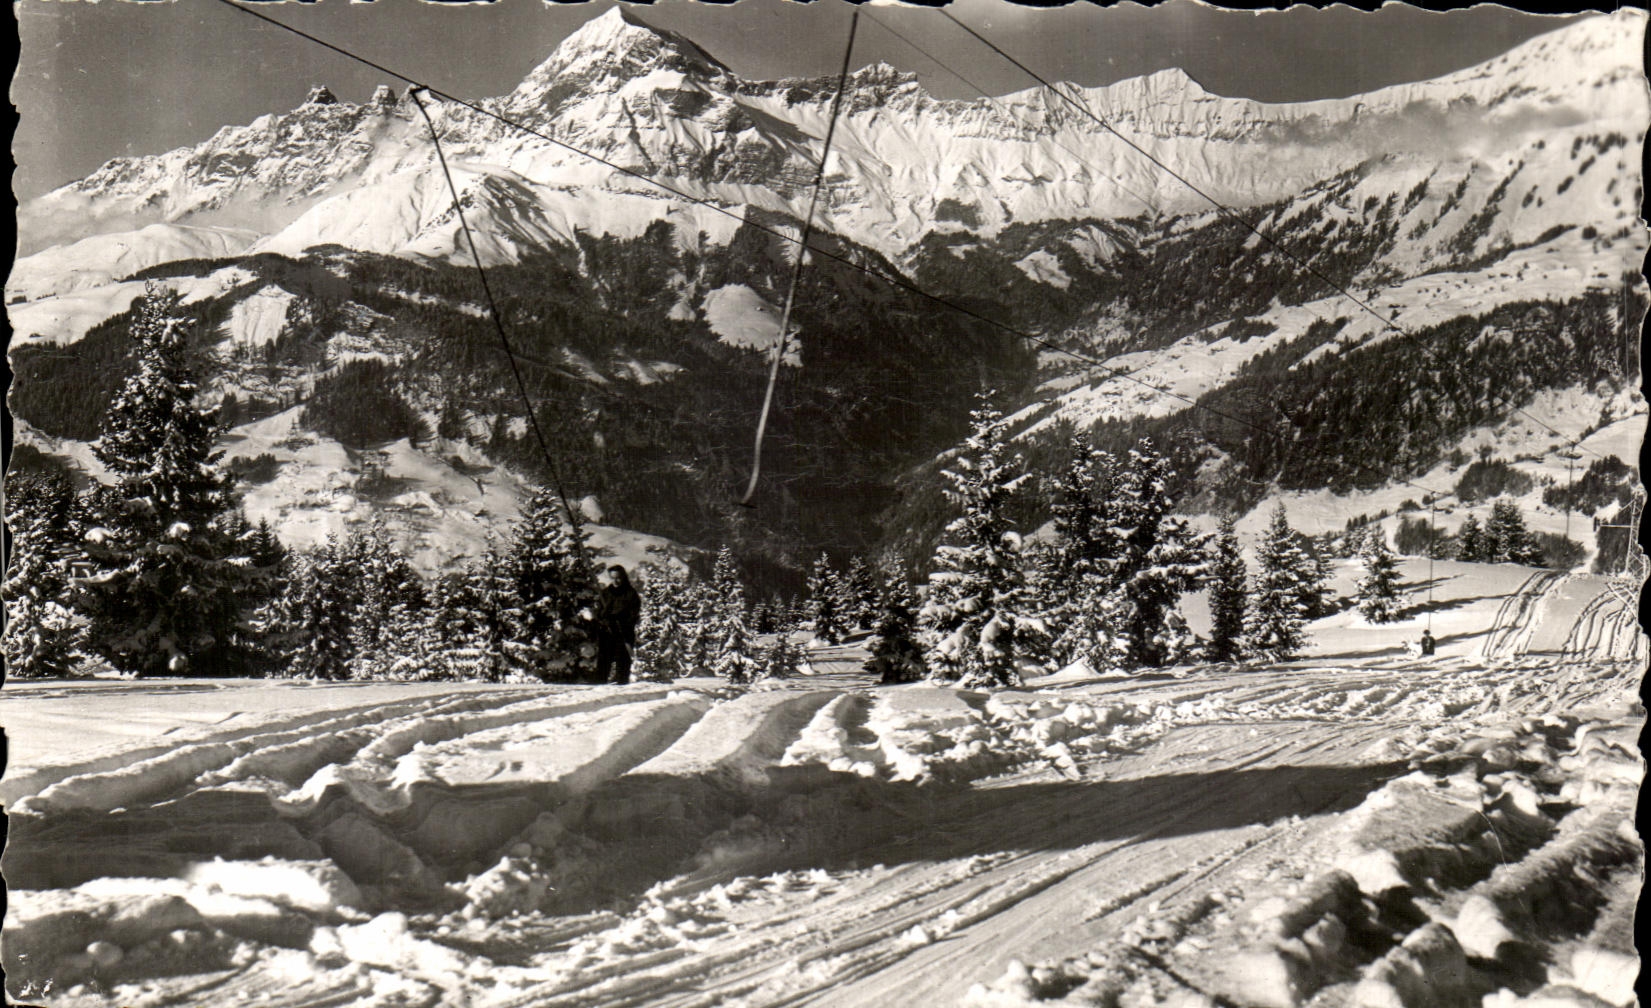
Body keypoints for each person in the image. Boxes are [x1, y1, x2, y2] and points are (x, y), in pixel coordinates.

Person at [592, 564, 642, 685]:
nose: (616, 580)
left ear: (623, 577)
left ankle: (622, 687)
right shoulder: (605, 593)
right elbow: (598, 612)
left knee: (623, 661)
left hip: (623, 631)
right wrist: (604, 618)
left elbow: (634, 613)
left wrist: (621, 621)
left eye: (618, 577)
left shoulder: (630, 594)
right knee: (604, 660)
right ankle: (599, 685)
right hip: (607, 631)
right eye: (613, 577)